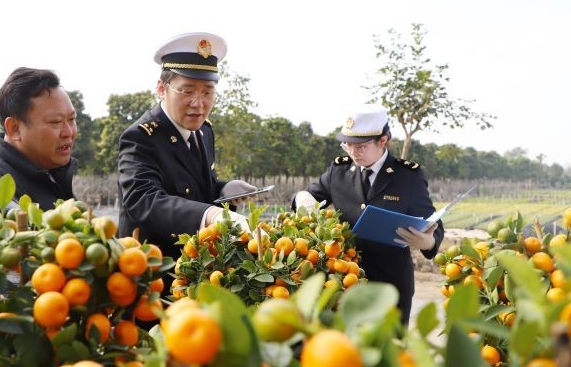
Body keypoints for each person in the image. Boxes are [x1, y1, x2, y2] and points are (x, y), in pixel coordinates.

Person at [293, 107, 444, 324]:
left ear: (382, 141)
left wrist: (428, 241)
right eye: (348, 145)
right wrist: (303, 198)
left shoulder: (406, 176)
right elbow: (311, 195)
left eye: (361, 147)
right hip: (343, 282)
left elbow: (434, 222)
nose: (354, 152)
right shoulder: (340, 171)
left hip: (390, 285)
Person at [117, 32, 256, 259]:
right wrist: (212, 214)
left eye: (207, 92)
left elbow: (196, 187)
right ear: (162, 88)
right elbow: (143, 199)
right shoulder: (141, 137)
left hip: (198, 265)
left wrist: (222, 190)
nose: (198, 103)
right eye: (187, 91)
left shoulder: (204, 131)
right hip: (153, 269)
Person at [0, 67, 78, 220]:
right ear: (14, 129)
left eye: (72, 119)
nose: (69, 132)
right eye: (55, 122)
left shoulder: (47, 171)